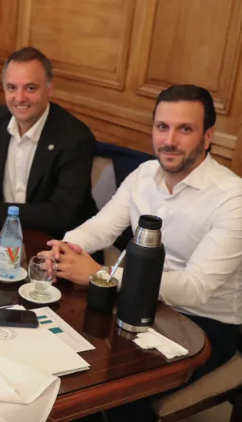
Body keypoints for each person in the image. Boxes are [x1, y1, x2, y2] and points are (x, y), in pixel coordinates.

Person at [43, 85, 242, 420]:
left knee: (117, 390)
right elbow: (101, 227)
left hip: (205, 323)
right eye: (162, 127)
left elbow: (195, 288)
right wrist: (65, 246)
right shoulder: (144, 174)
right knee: (68, 360)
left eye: (185, 129)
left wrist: (101, 274)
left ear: (208, 136)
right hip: (140, 304)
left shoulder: (232, 198)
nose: (169, 140)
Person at [0, 47, 98, 240]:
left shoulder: (75, 138)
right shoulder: (0, 119)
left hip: (58, 243)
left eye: (30, 88)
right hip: (4, 237)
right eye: (12, 88)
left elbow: (60, 214)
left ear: (50, 89)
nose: (19, 98)